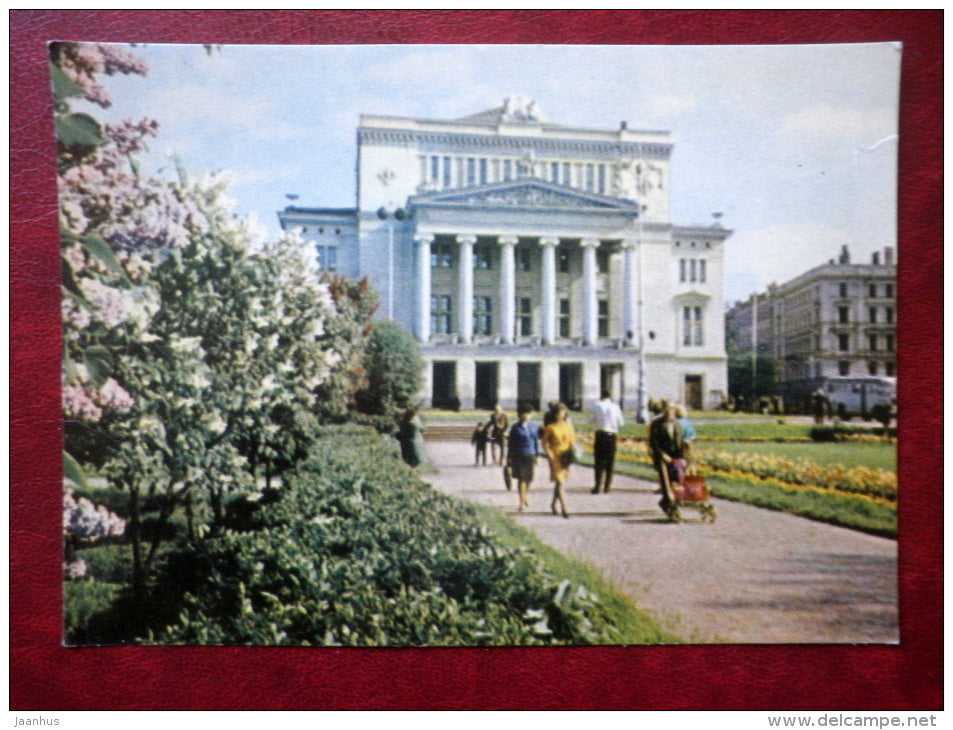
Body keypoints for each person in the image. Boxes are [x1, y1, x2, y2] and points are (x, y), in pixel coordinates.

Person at [648, 404, 685, 513]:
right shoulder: (657, 423)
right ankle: (669, 503)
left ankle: (670, 500)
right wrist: (661, 454)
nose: (670, 412)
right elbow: (653, 442)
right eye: (668, 410)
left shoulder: (676, 423)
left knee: (677, 478)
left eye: (672, 410)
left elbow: (679, 440)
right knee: (665, 480)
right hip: (661, 456)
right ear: (664, 411)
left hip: (675, 456)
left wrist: (682, 456)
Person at [542, 403, 575, 519]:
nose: (560, 415)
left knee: (560, 482)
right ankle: (564, 508)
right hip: (555, 455)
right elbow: (544, 443)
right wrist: (549, 454)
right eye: (558, 412)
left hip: (565, 456)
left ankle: (553, 504)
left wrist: (572, 454)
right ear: (555, 414)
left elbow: (572, 442)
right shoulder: (550, 428)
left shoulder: (568, 426)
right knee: (560, 482)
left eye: (562, 412)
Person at [588, 389, 624, 493]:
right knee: (610, 461)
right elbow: (621, 422)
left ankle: (598, 485)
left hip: (600, 434)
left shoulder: (597, 405)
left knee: (599, 461)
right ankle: (607, 486)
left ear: (601, 396)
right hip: (612, 435)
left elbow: (590, 420)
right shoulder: (616, 407)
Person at [507, 402, 539, 512]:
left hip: (530, 454)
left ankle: (526, 495)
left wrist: (537, 455)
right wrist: (509, 458)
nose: (529, 416)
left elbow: (535, 441)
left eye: (530, 414)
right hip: (519, 455)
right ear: (520, 415)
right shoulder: (515, 428)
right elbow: (511, 444)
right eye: (527, 414)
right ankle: (521, 503)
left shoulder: (534, 426)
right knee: (521, 479)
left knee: (529, 479)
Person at [674, 404, 696, 475]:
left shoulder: (675, 423)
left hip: (678, 445)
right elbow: (693, 435)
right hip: (688, 444)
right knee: (690, 463)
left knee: (679, 464)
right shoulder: (688, 422)